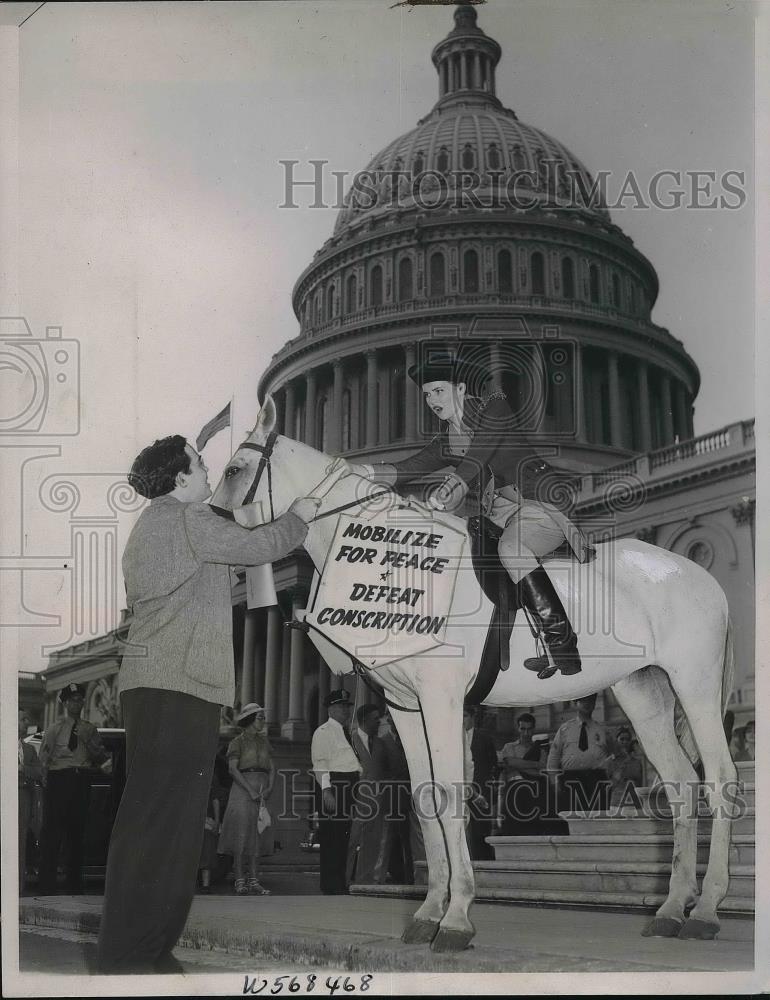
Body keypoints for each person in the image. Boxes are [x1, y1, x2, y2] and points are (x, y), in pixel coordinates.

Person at [96, 435, 320, 974]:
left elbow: (223, 533)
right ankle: (131, 954)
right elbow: (256, 546)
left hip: (158, 687)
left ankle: (144, 949)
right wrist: (300, 516)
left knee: (161, 823)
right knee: (166, 826)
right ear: (180, 478)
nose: (206, 470)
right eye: (199, 464)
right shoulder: (187, 520)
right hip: (180, 689)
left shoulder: (159, 524)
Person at [348, 351, 589, 680]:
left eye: (439, 391)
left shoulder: (494, 407)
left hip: (541, 506)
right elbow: (404, 470)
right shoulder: (445, 440)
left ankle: (562, 643)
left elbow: (480, 453)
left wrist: (458, 483)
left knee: (510, 549)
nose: (433, 400)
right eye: (427, 394)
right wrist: (349, 471)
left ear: (460, 389)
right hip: (504, 518)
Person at [38, 683, 110, 895]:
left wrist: (88, 740)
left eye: (79, 700)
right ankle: (46, 886)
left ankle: (74, 885)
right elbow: (44, 760)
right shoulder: (54, 729)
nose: (76, 703)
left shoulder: (90, 729)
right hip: (59, 781)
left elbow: (101, 757)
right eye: (72, 700)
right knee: (52, 834)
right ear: (65, 703)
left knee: (77, 834)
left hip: (80, 781)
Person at [217, 703, 274, 895]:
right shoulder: (237, 743)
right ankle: (239, 880)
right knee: (241, 835)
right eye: (260, 718)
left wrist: (269, 787)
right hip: (242, 792)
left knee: (257, 835)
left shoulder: (265, 741)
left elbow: (272, 767)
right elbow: (233, 769)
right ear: (250, 720)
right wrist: (250, 790)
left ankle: (254, 880)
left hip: (261, 791)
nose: (263, 721)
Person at [311, 689, 361, 895]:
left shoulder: (346, 731)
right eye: (341, 706)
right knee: (332, 837)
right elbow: (320, 764)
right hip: (334, 786)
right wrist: (327, 791)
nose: (346, 710)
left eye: (347, 706)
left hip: (350, 785)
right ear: (331, 709)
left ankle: (340, 882)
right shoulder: (323, 732)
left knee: (344, 837)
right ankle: (331, 885)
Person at [546, 693, 612, 814]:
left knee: (597, 817)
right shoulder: (564, 729)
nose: (587, 704)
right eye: (583, 700)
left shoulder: (602, 730)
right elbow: (553, 757)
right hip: (570, 780)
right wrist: (554, 781)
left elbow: (617, 755)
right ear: (576, 702)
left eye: (591, 701)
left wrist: (614, 775)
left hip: (596, 779)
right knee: (571, 819)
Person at [347, 703, 389, 885]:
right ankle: (345, 880)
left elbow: (385, 770)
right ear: (364, 720)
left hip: (377, 803)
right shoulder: (349, 741)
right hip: (355, 802)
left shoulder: (380, 744)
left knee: (372, 843)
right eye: (375, 719)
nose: (379, 722)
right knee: (351, 842)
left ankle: (364, 881)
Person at [500, 712, 552, 835]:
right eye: (523, 729)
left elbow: (544, 768)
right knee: (512, 829)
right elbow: (510, 762)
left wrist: (519, 764)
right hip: (514, 792)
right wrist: (535, 764)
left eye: (529, 729)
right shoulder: (509, 746)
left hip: (534, 793)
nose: (526, 733)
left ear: (533, 729)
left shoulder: (540, 748)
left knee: (533, 829)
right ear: (518, 728)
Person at [463, 704, 498, 861]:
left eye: (464, 716)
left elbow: (493, 766)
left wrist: (489, 792)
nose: (461, 720)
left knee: (481, 832)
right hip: (460, 791)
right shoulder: (452, 738)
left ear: (473, 717)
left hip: (481, 792)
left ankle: (485, 866)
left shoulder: (484, 738)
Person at [18, 710, 42, 894]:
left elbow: (38, 773)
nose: (27, 723)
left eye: (27, 719)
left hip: (23, 799)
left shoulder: (29, 749)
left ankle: (18, 888)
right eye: (23, 719)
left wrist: (21, 768)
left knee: (20, 842)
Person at [607, 725, 644, 808]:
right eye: (622, 739)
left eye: (627, 739)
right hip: (616, 804)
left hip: (633, 803)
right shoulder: (610, 762)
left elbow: (640, 784)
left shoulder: (637, 762)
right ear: (616, 740)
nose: (625, 742)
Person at [198, 775, 222, 894]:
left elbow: (215, 799)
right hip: (191, 820)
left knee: (207, 851)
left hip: (207, 820)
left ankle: (205, 885)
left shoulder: (211, 775)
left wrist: (216, 821)